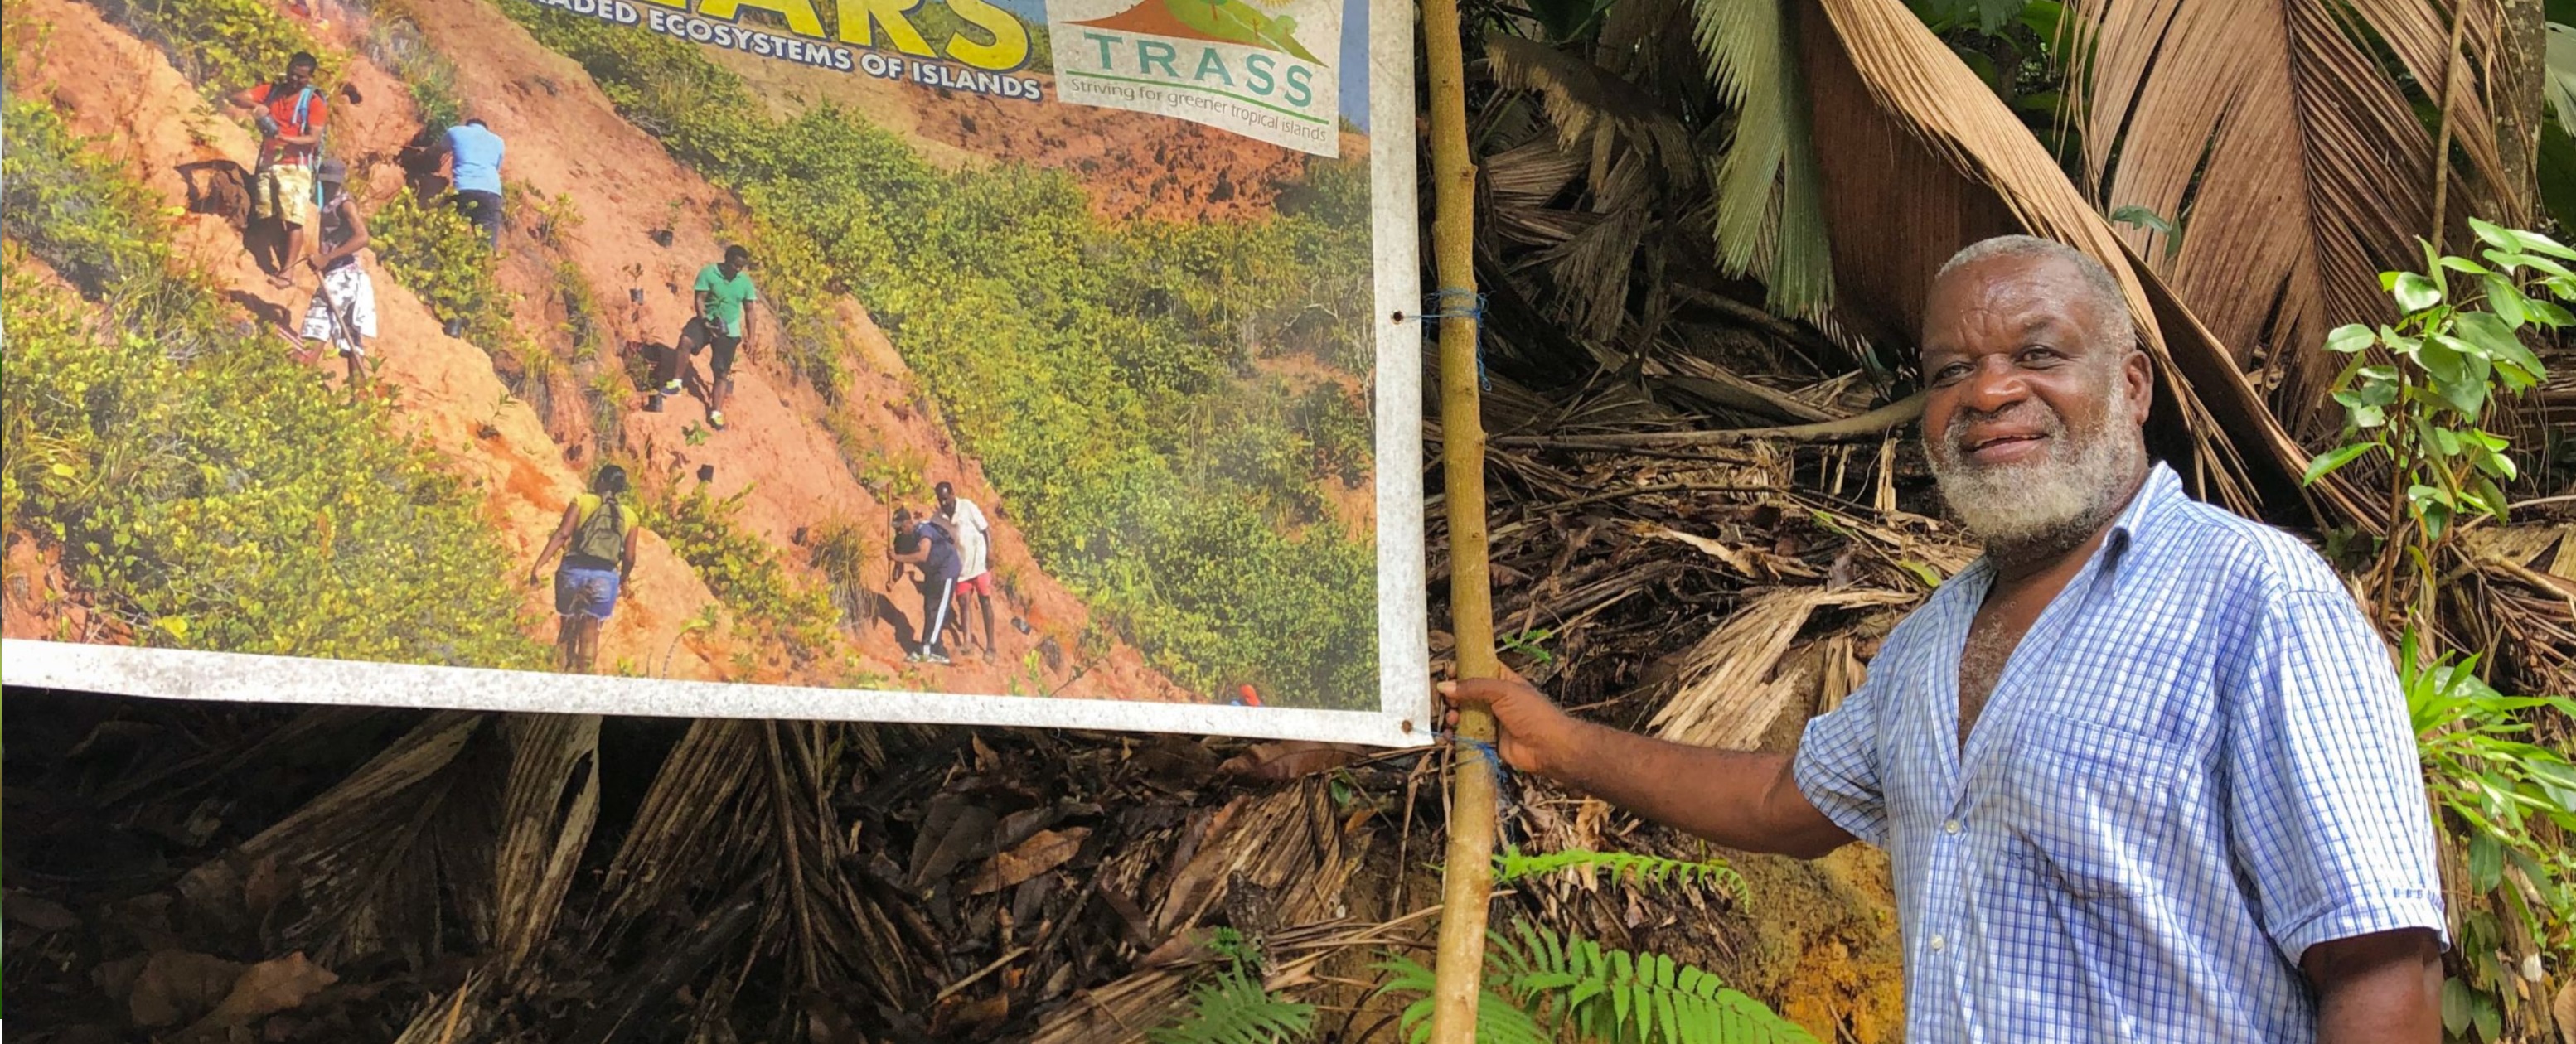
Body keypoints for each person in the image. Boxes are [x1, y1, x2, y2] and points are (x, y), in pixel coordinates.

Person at [1443, 236, 2444, 1043]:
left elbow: (2380, 964)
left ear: (2133, 386)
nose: (1989, 392)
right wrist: (1556, 743)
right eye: (1950, 370)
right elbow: (1779, 801)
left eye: (2038, 354)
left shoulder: (2257, 598)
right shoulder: (1931, 642)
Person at [226, 52, 328, 288]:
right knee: (268, 213)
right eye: (292, 73)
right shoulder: (272, 91)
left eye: (301, 77)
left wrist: (284, 137)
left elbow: (313, 138)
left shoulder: (313, 102)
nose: (294, 79)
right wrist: (257, 107)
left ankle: (287, 273)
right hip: (267, 163)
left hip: (295, 167)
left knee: (293, 218)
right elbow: (236, 97)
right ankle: (284, 261)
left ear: (310, 78)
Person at [529, 466, 642, 674]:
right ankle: (583, 684)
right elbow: (629, 557)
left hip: (573, 571)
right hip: (604, 578)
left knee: (567, 630)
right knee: (590, 637)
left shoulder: (581, 501)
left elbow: (563, 534)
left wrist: (539, 565)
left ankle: (561, 675)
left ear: (600, 481)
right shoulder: (629, 516)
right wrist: (623, 579)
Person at [654, 245, 758, 431]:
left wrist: (751, 337)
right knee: (686, 340)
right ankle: (676, 383)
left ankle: (716, 414)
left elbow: (750, 311)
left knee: (721, 372)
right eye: (735, 265)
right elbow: (700, 299)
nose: (737, 270)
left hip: (729, 329)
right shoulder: (709, 273)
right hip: (707, 321)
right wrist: (704, 320)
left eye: (741, 267)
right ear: (727, 260)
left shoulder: (745, 283)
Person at [295, 159, 376, 391]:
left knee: (318, 322)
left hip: (343, 276)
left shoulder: (345, 204)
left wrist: (327, 258)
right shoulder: (330, 203)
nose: (329, 187)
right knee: (350, 339)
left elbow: (363, 237)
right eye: (325, 183)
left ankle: (294, 385)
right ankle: (359, 401)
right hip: (350, 277)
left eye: (332, 183)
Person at [888, 506, 961, 665]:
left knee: (939, 610)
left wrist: (897, 557)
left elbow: (922, 555)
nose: (898, 532)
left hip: (946, 570)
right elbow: (899, 564)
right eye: (896, 529)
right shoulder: (902, 539)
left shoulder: (924, 530)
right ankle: (937, 649)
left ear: (908, 523)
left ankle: (929, 649)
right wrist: (893, 581)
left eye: (900, 528)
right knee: (930, 608)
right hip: (932, 574)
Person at [937, 481, 996, 660]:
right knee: (963, 602)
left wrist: (990, 552)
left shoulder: (967, 507)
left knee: (985, 602)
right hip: (961, 568)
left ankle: (991, 646)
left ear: (953, 494)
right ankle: (967, 642)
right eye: (941, 500)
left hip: (979, 562)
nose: (944, 503)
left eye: (946, 498)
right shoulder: (939, 517)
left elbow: (985, 530)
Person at [439, 117, 506, 249]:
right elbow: (497, 168)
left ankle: (446, 259)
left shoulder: (456, 132)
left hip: (464, 189)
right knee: (486, 243)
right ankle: (482, 266)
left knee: (451, 232)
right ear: (486, 129)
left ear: (468, 125)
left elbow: (440, 149)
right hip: (492, 193)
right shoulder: (499, 142)